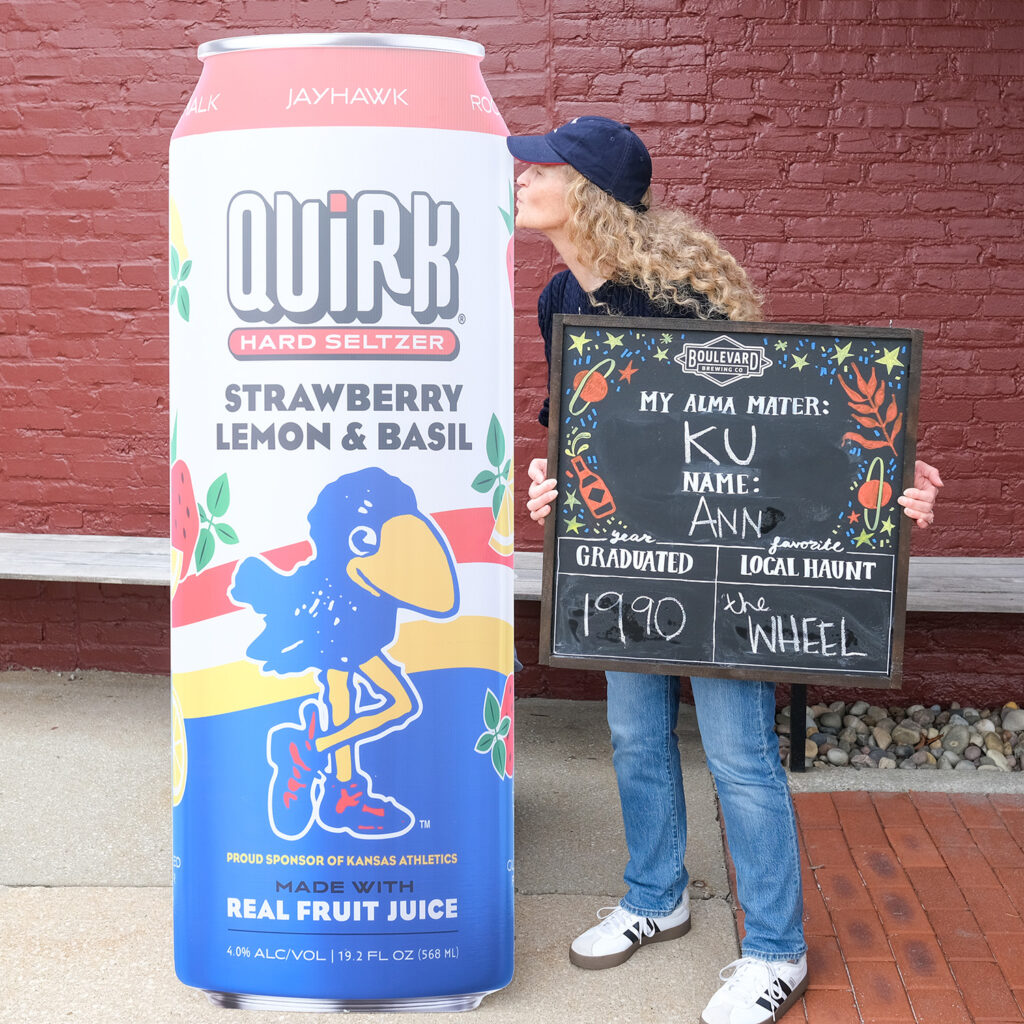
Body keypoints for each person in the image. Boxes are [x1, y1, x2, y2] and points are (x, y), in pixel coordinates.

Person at [506, 116, 943, 1024]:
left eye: (539, 165)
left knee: (741, 755)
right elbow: (586, 431)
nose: (520, 175)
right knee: (633, 733)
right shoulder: (559, 298)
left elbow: (795, 424)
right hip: (629, 559)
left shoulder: (681, 301)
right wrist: (558, 483)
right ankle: (655, 894)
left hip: (726, 564)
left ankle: (776, 950)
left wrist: (891, 480)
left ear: (585, 191)